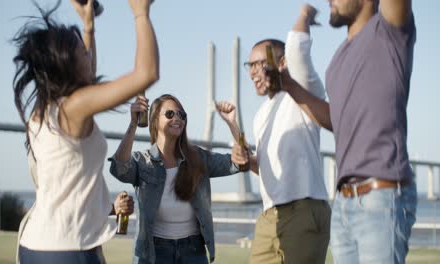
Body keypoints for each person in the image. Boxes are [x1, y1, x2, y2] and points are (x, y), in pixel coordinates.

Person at [12, 0, 159, 262]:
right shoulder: (73, 108)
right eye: (83, 52)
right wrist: (140, 12)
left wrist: (88, 27)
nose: (89, 57)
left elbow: (87, 76)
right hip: (66, 249)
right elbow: (146, 73)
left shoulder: (47, 107)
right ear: (67, 63)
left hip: (39, 244)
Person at [281, 0, 417, 263]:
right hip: (343, 204)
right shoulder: (337, 60)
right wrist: (291, 87)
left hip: (380, 195)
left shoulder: (388, 30)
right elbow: (337, 120)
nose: (329, 1)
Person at [231, 4, 331, 264]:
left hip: (304, 209)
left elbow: (297, 48)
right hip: (269, 216)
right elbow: (265, 167)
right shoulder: (261, 115)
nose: (252, 71)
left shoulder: (302, 90)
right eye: (249, 65)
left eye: (259, 63)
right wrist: (246, 161)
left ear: (281, 63)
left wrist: (305, 15)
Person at [109, 94, 242, 264]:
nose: (177, 118)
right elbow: (119, 168)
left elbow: (240, 161)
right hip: (154, 253)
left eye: (182, 115)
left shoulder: (198, 158)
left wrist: (232, 123)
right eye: (170, 114)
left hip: (193, 251)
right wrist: (133, 124)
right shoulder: (142, 162)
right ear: (155, 120)